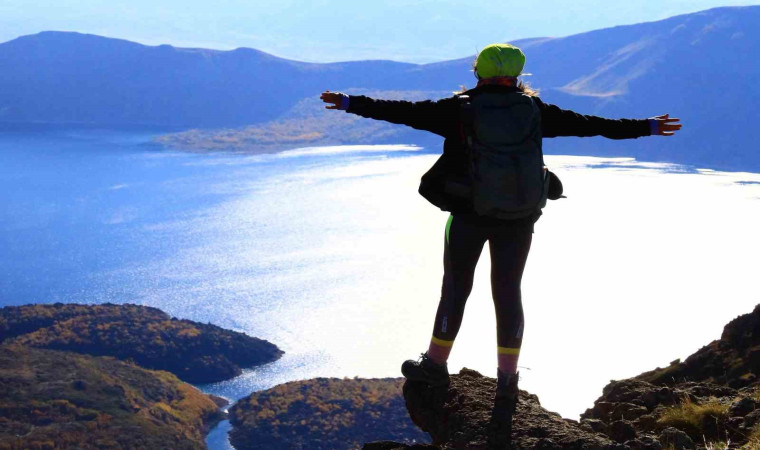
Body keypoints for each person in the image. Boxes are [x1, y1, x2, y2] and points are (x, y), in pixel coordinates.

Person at [321, 43, 681, 436]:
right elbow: (593, 124)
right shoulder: (534, 111)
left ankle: (436, 367)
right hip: (519, 218)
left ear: (478, 72)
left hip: (469, 215)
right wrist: (646, 126)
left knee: (456, 288)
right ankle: (507, 385)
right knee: (508, 293)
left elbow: (402, 112)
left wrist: (349, 101)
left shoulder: (458, 109)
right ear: (517, 75)